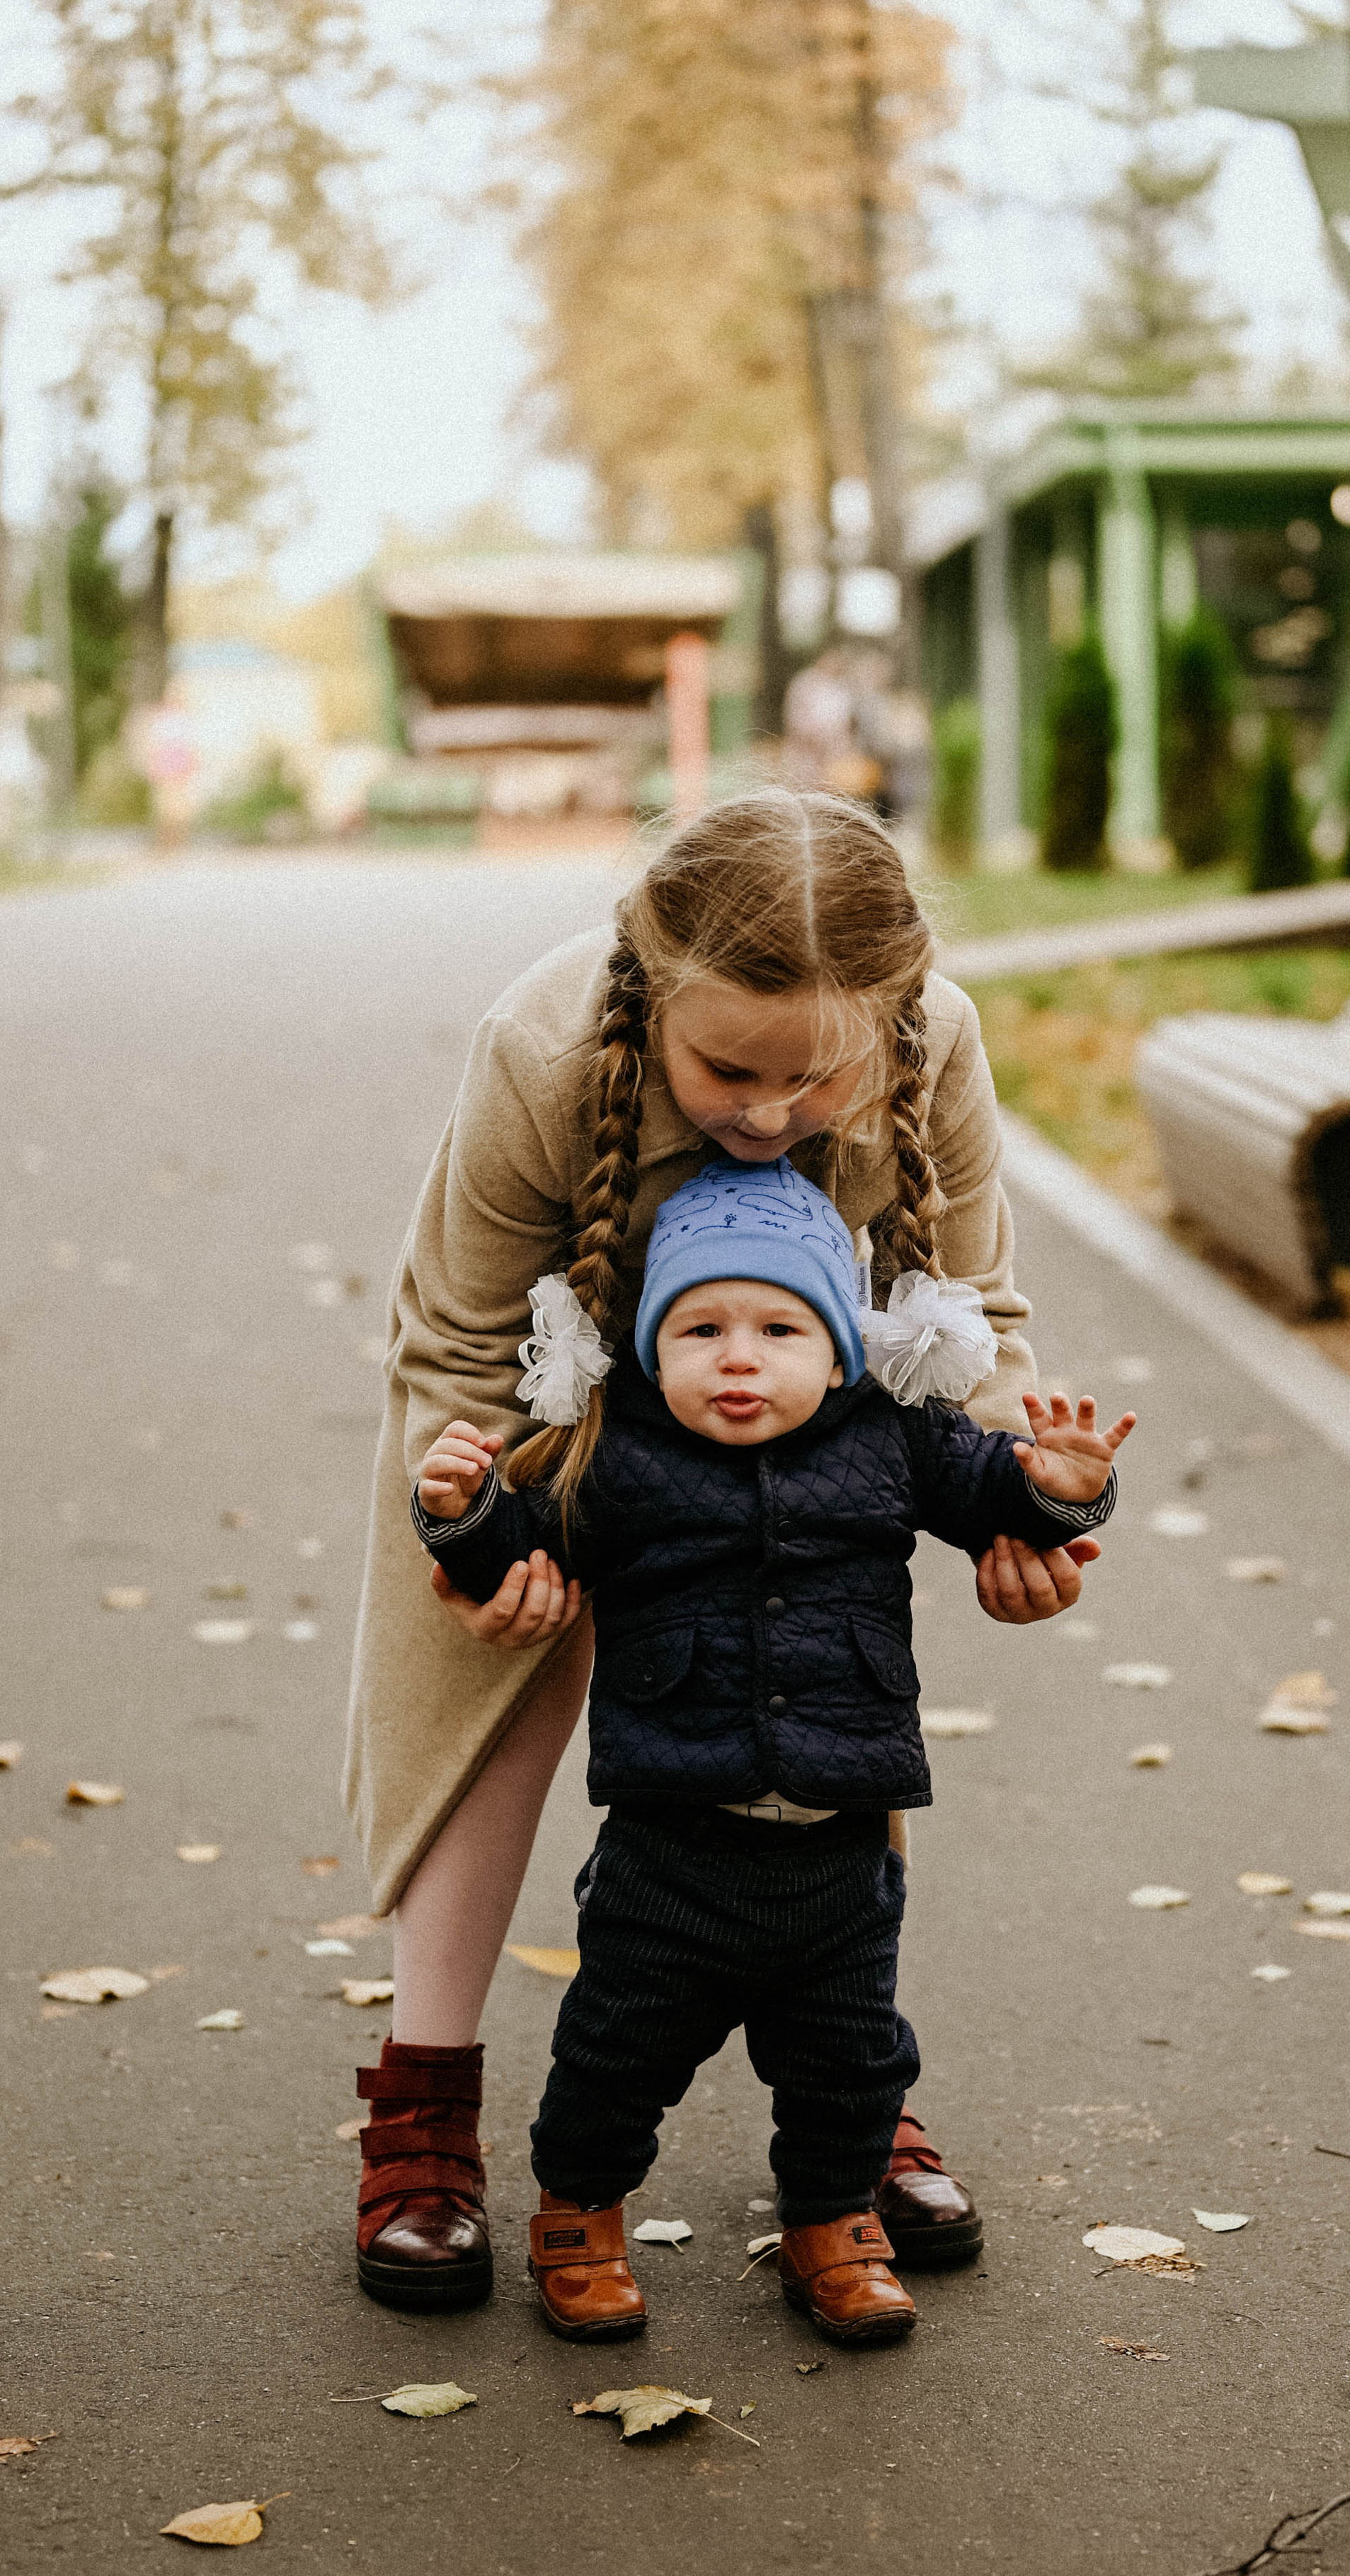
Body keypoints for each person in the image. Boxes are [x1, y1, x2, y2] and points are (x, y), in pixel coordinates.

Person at [344, 789, 1106, 2313]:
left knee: (826, 1643)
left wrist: (1026, 1511)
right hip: (547, 1394)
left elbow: (978, 1314)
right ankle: (422, 2106)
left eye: (809, 1076)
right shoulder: (544, 1040)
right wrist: (480, 1550)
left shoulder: (934, 1033)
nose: (764, 1113)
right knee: (492, 1669)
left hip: (815, 1393)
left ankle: (849, 2100)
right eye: (726, 1070)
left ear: (886, 1018)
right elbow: (456, 1338)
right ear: (652, 977)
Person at [408, 1156, 1132, 2346]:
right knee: (615, 2049)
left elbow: (1005, 1497)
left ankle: (832, 2224)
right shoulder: (617, 1453)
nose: (738, 1355)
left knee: (851, 2061)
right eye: (700, 1327)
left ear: (840, 1349)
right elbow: (524, 1547)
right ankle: (580, 2213)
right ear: (650, 1351)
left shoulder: (895, 1440)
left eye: (777, 1327)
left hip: (842, 1847)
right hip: (670, 1843)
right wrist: (464, 1514)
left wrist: (1064, 1492)